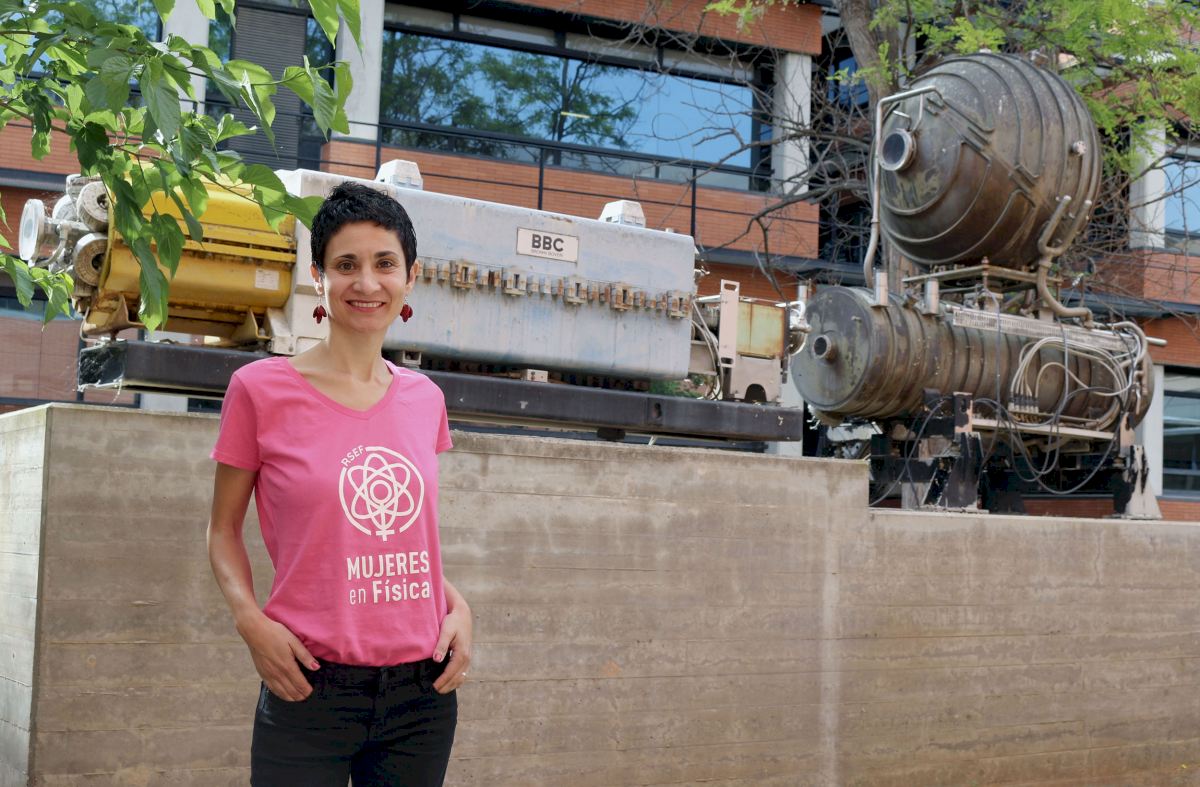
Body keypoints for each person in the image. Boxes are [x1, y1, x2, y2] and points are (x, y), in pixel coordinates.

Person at [206, 182, 471, 786]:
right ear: (318, 277)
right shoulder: (260, 390)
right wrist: (251, 622)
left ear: (411, 278)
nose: (367, 282)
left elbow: (396, 542)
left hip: (423, 693)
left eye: (385, 264)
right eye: (346, 264)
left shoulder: (425, 398)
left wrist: (459, 606)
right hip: (307, 685)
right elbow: (222, 531)